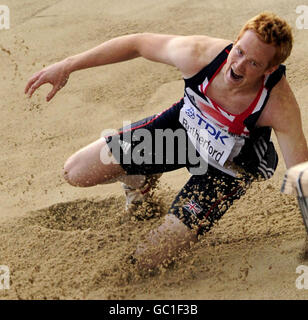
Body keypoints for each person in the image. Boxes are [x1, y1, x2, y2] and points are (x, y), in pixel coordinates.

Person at [25, 12, 308, 270]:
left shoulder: (278, 105)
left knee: (147, 261)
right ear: (234, 42)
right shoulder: (199, 54)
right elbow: (137, 43)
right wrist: (68, 65)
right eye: (240, 51)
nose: (238, 65)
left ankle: (176, 222)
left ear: (269, 70)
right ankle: (141, 178)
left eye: (254, 62)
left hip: (225, 170)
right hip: (179, 134)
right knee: (75, 171)